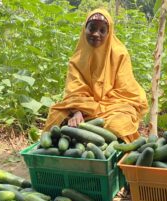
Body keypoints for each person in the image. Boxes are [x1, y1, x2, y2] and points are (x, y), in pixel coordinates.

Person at [43, 8, 148, 143]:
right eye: (92, 28)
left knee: (119, 122)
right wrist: (78, 111)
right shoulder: (76, 60)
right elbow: (75, 91)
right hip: (84, 108)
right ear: (84, 29)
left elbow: (125, 91)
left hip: (113, 107)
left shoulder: (120, 54)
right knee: (56, 115)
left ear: (109, 33)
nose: (96, 34)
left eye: (102, 30)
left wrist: (98, 107)